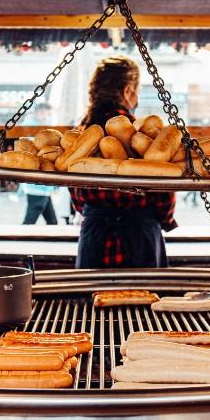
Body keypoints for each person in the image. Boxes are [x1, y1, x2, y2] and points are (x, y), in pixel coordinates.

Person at [70, 56, 177, 268]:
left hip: (94, 235)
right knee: (144, 299)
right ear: (128, 91)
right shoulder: (141, 134)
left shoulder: (82, 134)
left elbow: (75, 193)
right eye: (136, 90)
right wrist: (165, 220)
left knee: (92, 299)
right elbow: (163, 188)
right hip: (140, 236)